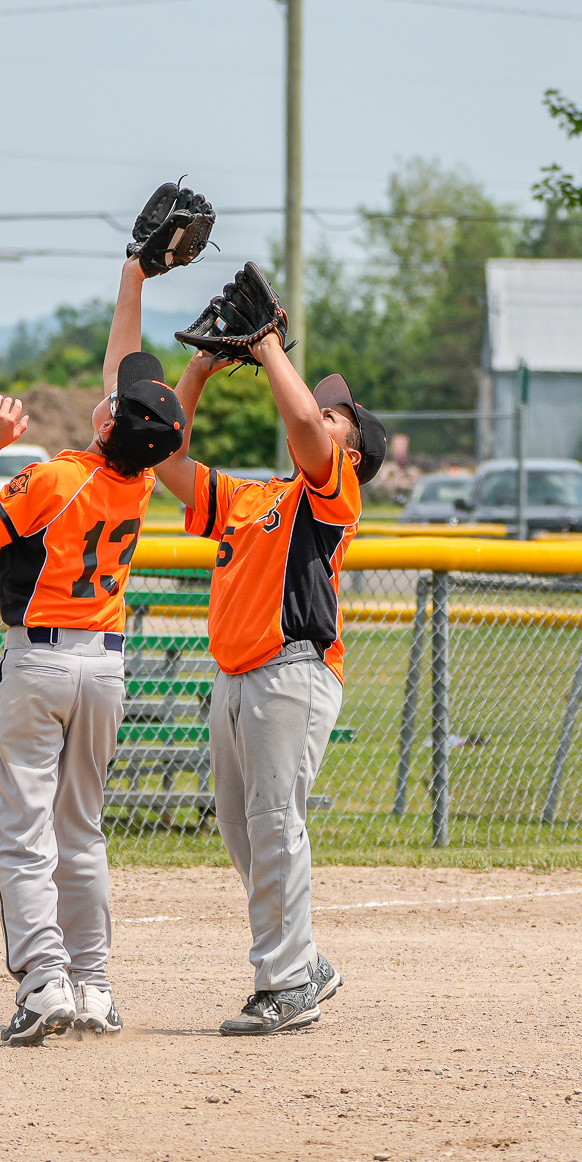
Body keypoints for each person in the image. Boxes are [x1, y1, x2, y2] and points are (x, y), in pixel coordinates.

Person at [0, 250, 186, 1046]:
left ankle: (44, 980)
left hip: (40, 662)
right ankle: (95, 986)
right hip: (106, 665)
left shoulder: (55, 478)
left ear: (111, 424)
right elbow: (134, 392)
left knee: (24, 831)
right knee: (83, 831)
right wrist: (134, 280)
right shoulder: (140, 480)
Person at [153, 269, 387, 1037]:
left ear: (355, 447)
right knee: (242, 828)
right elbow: (167, 463)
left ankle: (285, 984)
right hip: (235, 674)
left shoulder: (336, 488)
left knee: (274, 820)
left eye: (340, 414)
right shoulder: (254, 498)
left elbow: (306, 433)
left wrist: (267, 348)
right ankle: (307, 959)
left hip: (293, 670)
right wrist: (201, 369)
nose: (324, 410)